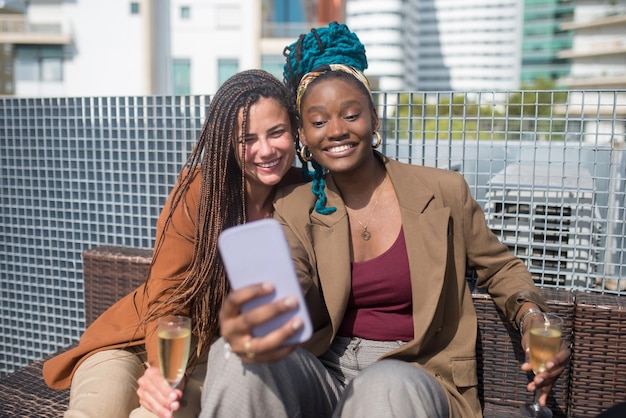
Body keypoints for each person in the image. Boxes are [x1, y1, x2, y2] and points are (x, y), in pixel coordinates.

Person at [195, 22, 572, 418]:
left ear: (374, 120)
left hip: (415, 374)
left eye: (351, 114)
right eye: (319, 121)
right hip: (326, 373)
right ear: (304, 136)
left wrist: (530, 315)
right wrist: (264, 307)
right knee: (233, 356)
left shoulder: (442, 191)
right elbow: (295, 274)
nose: (337, 130)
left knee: (382, 386)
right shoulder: (294, 204)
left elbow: (500, 268)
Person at [42, 69, 302, 418]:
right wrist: (163, 369)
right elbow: (167, 293)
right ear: (226, 142)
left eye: (276, 132)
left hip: (214, 360)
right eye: (246, 139)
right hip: (136, 342)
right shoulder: (200, 191)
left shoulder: (304, 196)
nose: (265, 150)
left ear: (294, 131)